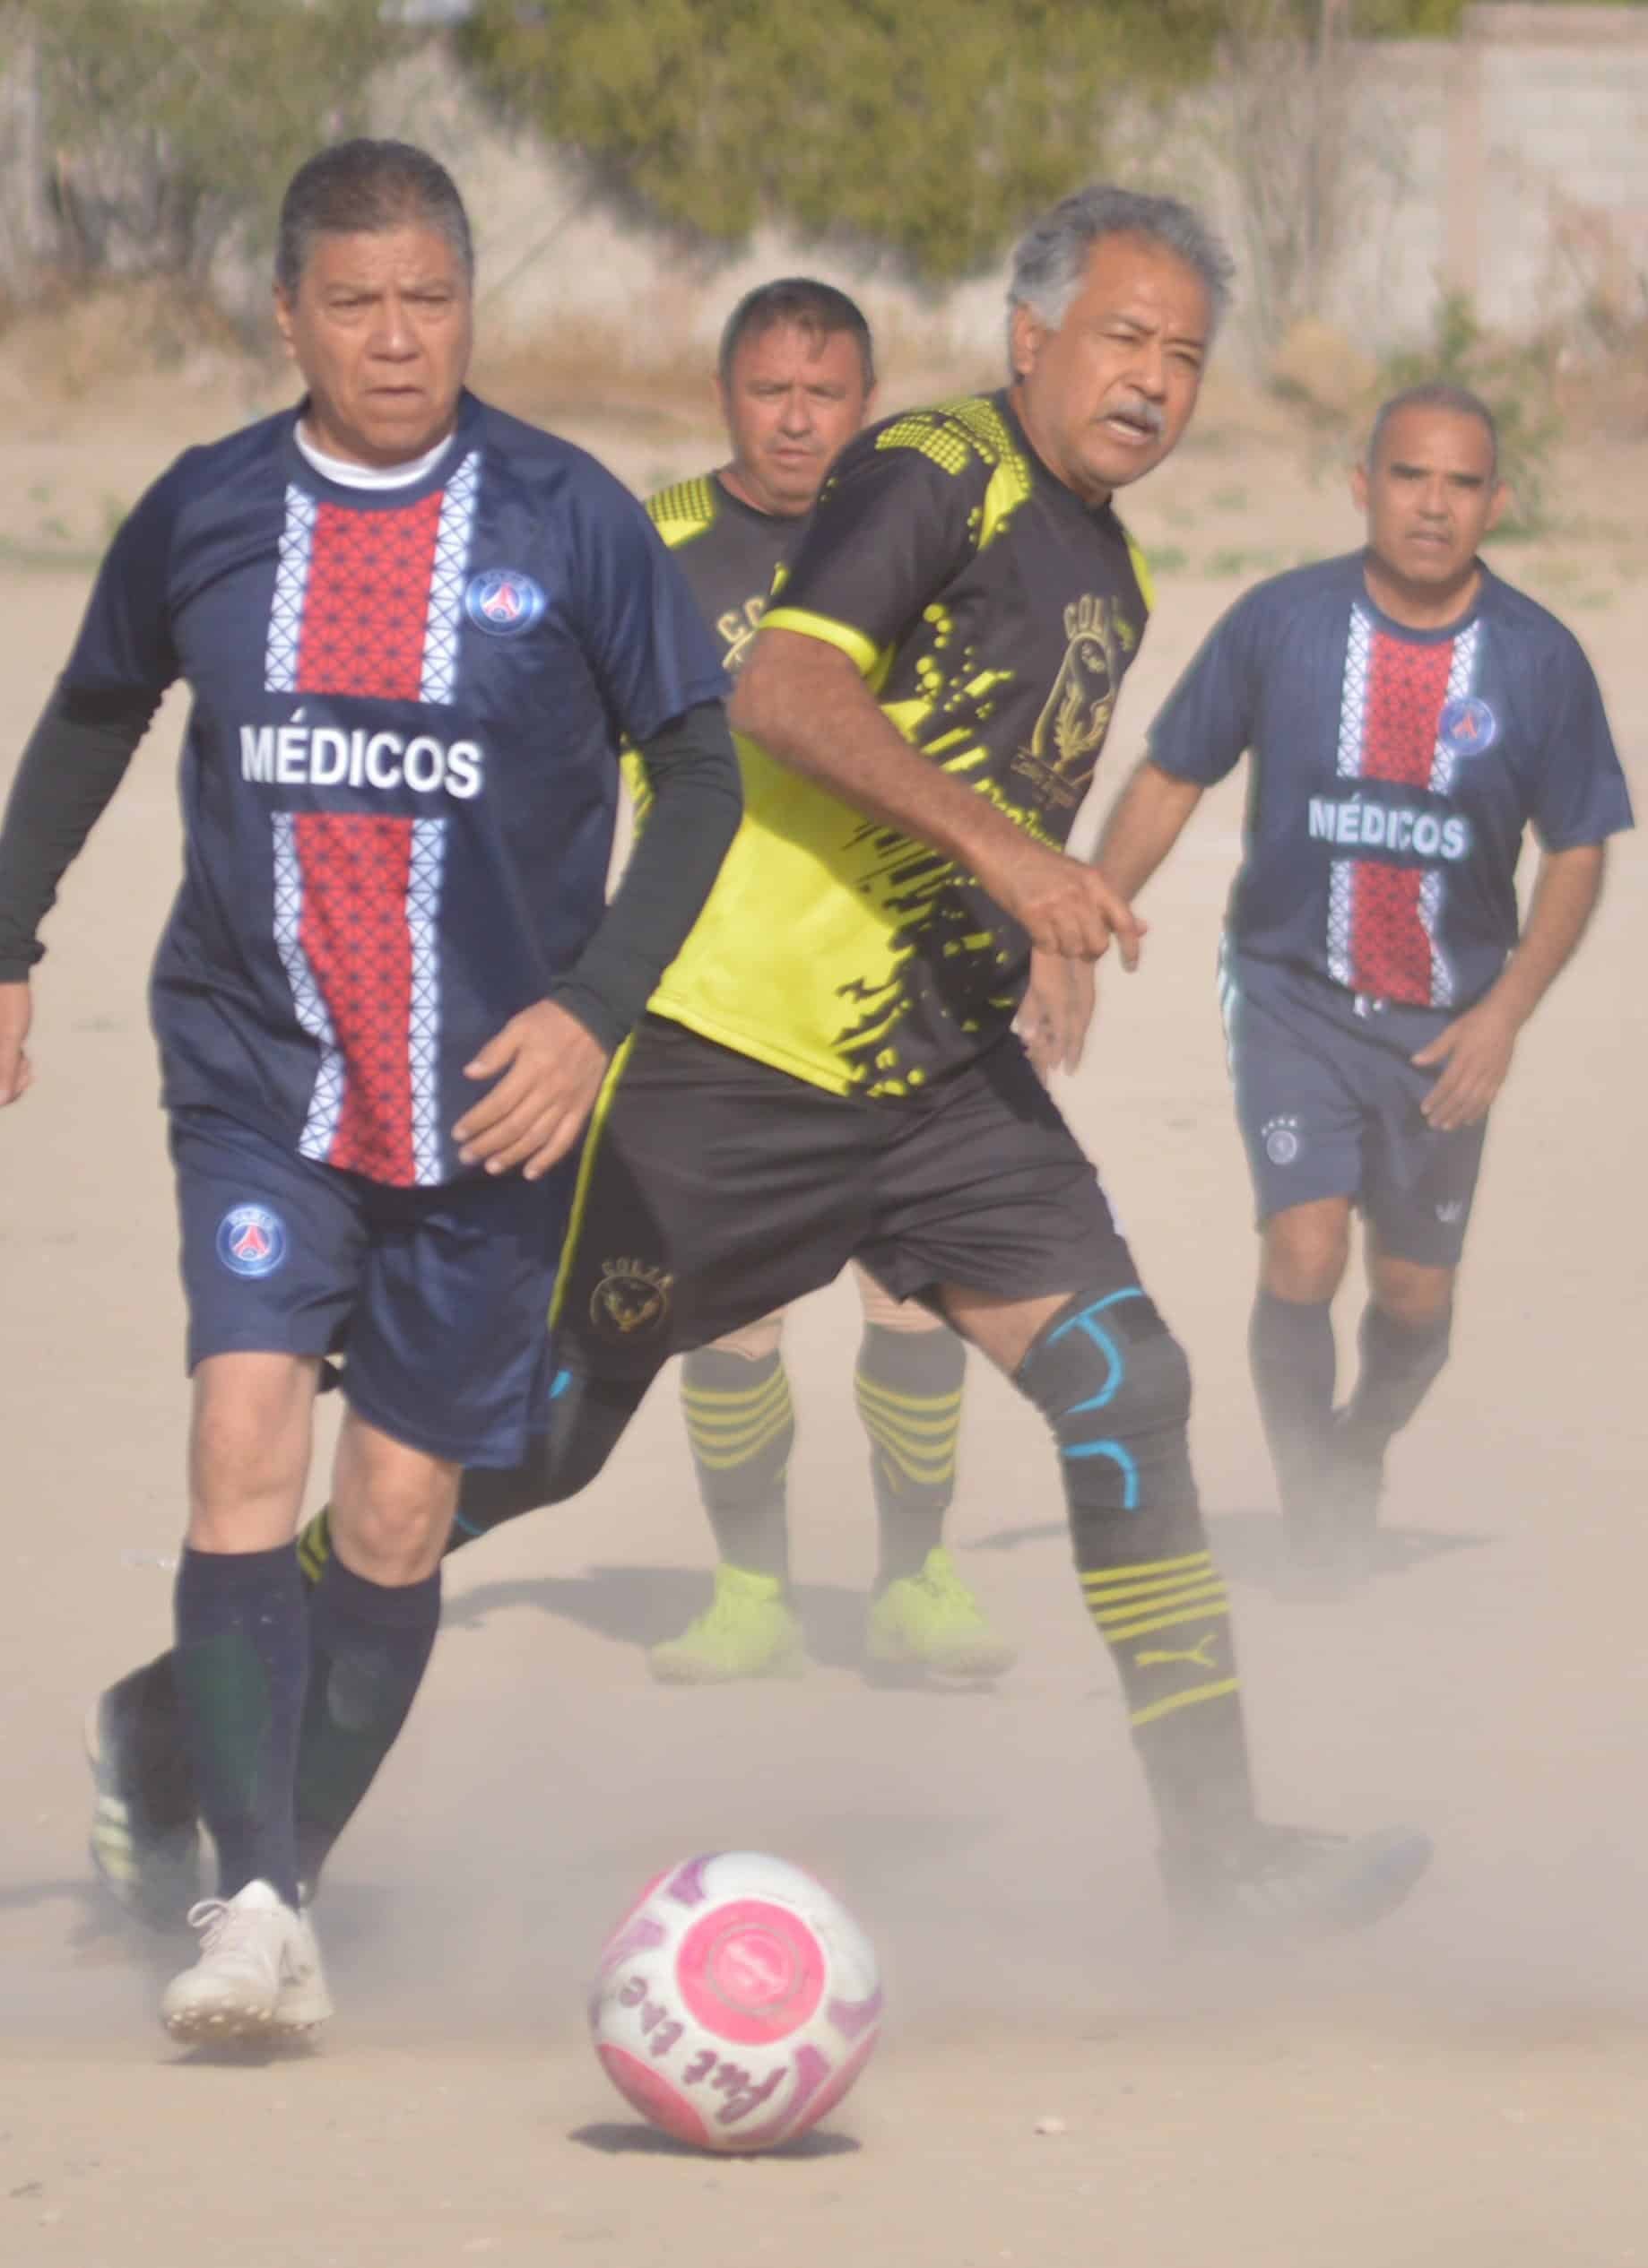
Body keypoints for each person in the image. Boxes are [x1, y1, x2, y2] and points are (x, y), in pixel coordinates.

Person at [316, 186, 1431, 1941]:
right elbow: (786, 692)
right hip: (728, 1069)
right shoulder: (933, 471)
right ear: (1029, 339)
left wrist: (1024, 939)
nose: (1149, 381)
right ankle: (192, 1731)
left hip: (935, 1098)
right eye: (1120, 340)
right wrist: (1007, 857)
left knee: (1125, 1389)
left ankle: (1221, 1859)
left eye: (1184, 358)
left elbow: (1001, 801)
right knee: (519, 1453)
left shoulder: (1110, 566)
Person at [0, 139, 740, 2046]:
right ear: (288, 315)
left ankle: (271, 1863)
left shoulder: (567, 520)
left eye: (432, 300)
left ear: (469, 306)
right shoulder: (207, 511)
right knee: (238, 1440)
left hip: (484, 1103)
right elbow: (92, 710)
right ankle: (258, 1903)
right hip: (256, 1065)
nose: (398, 339)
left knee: (392, 1518)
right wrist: (4, 940)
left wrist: (589, 1013)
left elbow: (697, 774)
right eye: (358, 304)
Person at [1042, 381, 1632, 1587]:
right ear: (1361, 487)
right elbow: (1171, 772)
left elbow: (1577, 847)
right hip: (1290, 996)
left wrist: (1504, 1014)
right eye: (1408, 476)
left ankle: (1360, 1442)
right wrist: (1080, 919)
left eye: (1461, 484)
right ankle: (1314, 1504)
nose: (1432, 504)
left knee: (1412, 1304)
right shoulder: (1280, 625)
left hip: (1443, 1030)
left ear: (1496, 504)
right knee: (1302, 1255)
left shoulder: (1537, 661)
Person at [637, 276, 1012, 1688]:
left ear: (867, 403)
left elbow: (985, 755)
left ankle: (916, 1577)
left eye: (827, 393)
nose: (797, 420)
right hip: (718, 994)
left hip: (905, 983)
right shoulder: (652, 546)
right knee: (731, 1311)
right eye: (769, 390)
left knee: (914, 1294)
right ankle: (751, 1591)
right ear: (726, 394)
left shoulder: (925, 539)